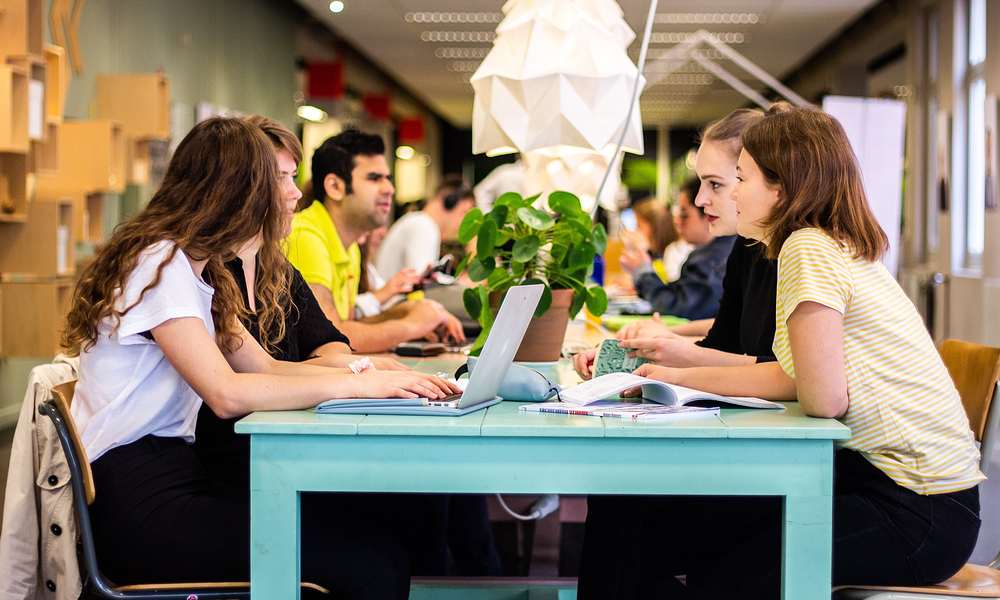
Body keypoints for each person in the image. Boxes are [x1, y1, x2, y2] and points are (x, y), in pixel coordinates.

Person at [578, 104, 984, 598]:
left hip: (917, 510)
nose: (726, 193)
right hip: (896, 489)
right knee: (636, 515)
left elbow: (821, 398)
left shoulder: (806, 249)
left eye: (740, 178)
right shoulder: (817, 243)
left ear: (782, 187)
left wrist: (672, 378)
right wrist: (668, 373)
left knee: (703, 554)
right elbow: (791, 377)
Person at [63, 117, 461, 597]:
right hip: (144, 499)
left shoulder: (197, 267)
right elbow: (228, 394)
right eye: (277, 183)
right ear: (237, 192)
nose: (290, 195)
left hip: (175, 475)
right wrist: (358, 383)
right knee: (370, 562)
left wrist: (370, 372)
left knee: (382, 535)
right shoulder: (161, 263)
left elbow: (266, 369)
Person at [284, 130, 464, 353]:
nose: (389, 189)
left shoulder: (349, 247)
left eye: (387, 178)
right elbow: (328, 338)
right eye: (374, 178)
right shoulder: (305, 236)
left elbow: (349, 324)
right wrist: (411, 325)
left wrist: (408, 311)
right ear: (335, 187)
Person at [619, 176, 735, 320]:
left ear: (708, 213)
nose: (677, 222)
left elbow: (679, 308)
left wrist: (642, 272)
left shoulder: (713, 258)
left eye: (684, 215)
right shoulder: (710, 253)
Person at [375, 179, 475, 280]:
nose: (465, 222)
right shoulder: (423, 226)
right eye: (464, 212)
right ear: (448, 203)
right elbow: (423, 286)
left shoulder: (417, 222)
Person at [354, 225, 422, 319]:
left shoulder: (369, 269)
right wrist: (385, 292)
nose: (383, 234)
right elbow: (343, 316)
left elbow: (388, 305)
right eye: (375, 224)